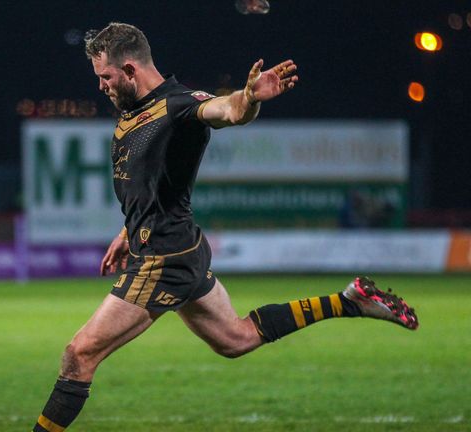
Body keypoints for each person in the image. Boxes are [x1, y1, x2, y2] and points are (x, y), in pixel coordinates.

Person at [32, 22, 418, 432]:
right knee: (236, 340)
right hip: (180, 249)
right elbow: (151, 184)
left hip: (163, 261)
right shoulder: (136, 112)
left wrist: (249, 97)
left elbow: (226, 109)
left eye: (105, 77)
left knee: (79, 355)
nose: (101, 86)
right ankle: (349, 301)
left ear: (129, 70)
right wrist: (129, 231)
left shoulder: (179, 105)